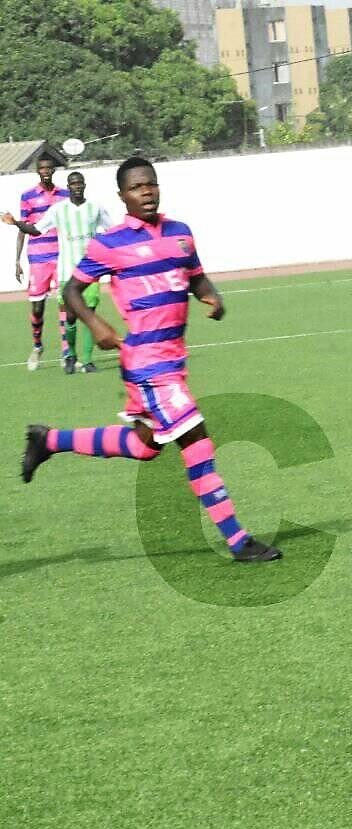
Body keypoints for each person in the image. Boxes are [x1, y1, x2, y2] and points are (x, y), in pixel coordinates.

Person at [19, 157, 282, 564]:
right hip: (146, 364)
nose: (147, 192)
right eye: (137, 187)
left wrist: (211, 295)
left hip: (173, 360)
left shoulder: (180, 233)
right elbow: (72, 290)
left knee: (144, 446)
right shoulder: (112, 242)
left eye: (151, 185)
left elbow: (195, 275)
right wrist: (94, 323)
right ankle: (238, 540)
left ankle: (48, 440)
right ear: (122, 195)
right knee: (196, 438)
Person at [2, 171, 114, 374]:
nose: (77, 186)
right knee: (70, 317)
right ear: (69, 187)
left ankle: (87, 360)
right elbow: (36, 229)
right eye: (73, 184)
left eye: (80, 183)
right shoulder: (58, 209)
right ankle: (70, 354)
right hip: (66, 272)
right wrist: (16, 223)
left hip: (90, 270)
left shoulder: (96, 208)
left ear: (84, 185)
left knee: (90, 314)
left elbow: (112, 231)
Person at [14, 154, 70, 370]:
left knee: (65, 303)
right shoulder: (27, 196)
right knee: (37, 307)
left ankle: (67, 351)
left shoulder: (65, 195)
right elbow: (22, 228)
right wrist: (17, 260)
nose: (45, 171)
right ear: (38, 171)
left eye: (49, 168)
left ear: (53, 170)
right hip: (37, 257)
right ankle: (37, 346)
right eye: (42, 168)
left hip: (62, 255)